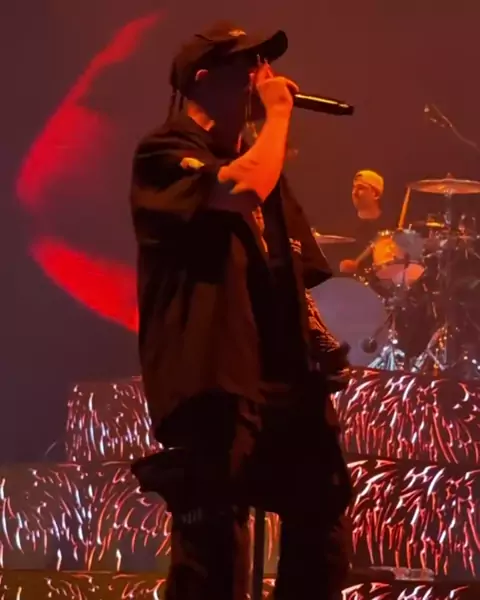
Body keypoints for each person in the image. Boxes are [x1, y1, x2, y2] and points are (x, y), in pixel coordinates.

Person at [129, 21, 353, 600]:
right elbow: (236, 190)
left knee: (323, 510)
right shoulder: (165, 152)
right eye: (249, 65)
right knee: (215, 549)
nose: (265, 75)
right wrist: (277, 115)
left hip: (282, 378)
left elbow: (290, 267)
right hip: (213, 374)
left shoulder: (266, 170)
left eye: (265, 63)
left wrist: (317, 339)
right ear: (205, 80)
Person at [339, 169, 385, 274]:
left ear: (375, 194)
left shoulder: (393, 225)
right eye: (354, 187)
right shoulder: (342, 228)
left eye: (361, 188)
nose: (354, 192)